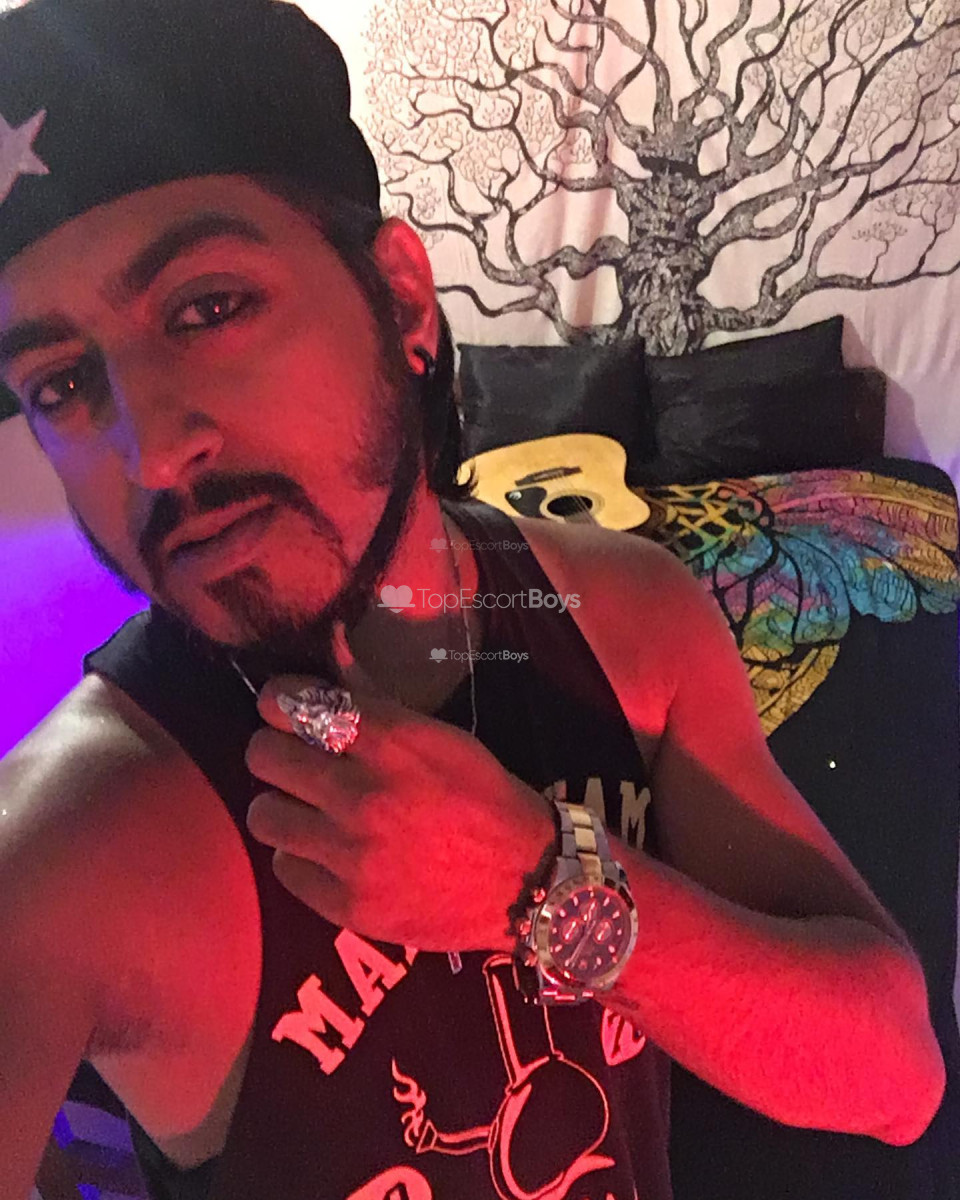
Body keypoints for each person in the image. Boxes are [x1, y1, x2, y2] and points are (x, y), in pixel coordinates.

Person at [0, 1, 946, 1198]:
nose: (150, 454)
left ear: (402, 301)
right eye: (62, 383)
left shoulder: (625, 613)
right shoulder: (67, 843)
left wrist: (537, 887)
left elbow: (893, 1077)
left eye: (209, 308)